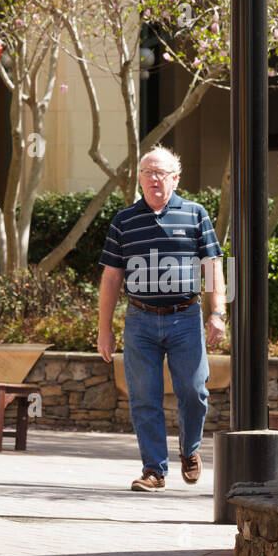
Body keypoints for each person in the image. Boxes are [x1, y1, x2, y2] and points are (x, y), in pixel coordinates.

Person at [97, 145, 227, 492]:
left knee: (194, 391)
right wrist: (104, 330)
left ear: (175, 178)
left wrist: (217, 313)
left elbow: (212, 267)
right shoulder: (124, 220)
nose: (154, 179)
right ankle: (154, 470)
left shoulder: (196, 214)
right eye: (147, 173)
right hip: (139, 320)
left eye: (161, 173)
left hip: (185, 318)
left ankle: (190, 449)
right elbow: (111, 278)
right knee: (143, 397)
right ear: (139, 179)